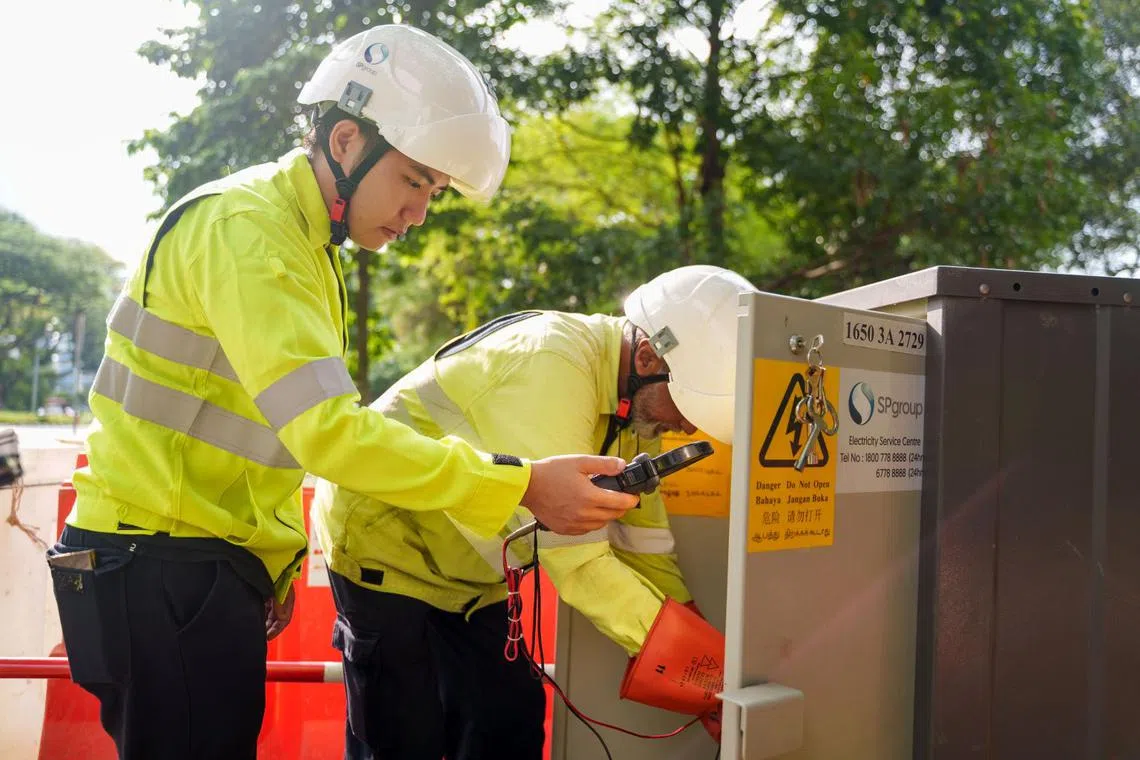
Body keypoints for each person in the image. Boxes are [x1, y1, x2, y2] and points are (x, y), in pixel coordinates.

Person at [45, 25, 636, 760]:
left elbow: (260, 432)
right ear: (348, 141)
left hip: (186, 566)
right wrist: (519, 487)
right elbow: (329, 433)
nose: (419, 211)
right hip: (158, 564)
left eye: (435, 193)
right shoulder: (252, 233)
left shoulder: (299, 244)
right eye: (414, 180)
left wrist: (274, 560)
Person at [312, 264, 757, 759]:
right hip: (385, 551)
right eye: (686, 406)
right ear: (650, 356)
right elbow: (579, 564)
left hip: (472, 581)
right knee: (403, 736)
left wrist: (702, 664)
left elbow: (646, 549)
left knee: (508, 728)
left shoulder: (633, 406)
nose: (686, 426)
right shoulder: (552, 364)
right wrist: (706, 677)